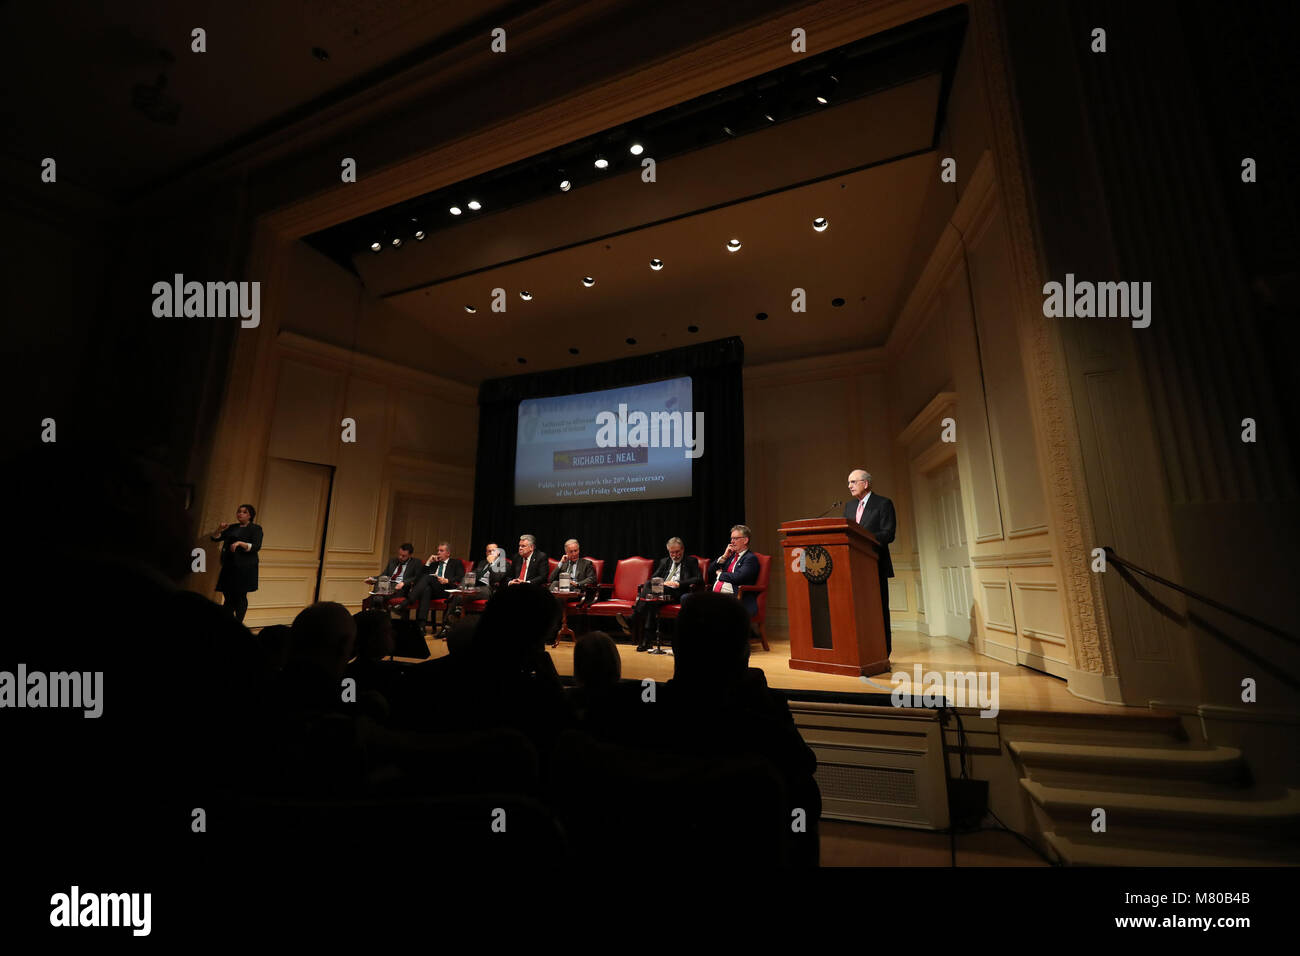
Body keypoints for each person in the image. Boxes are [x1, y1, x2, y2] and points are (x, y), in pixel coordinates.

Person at [844, 469, 897, 656]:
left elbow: (888, 534)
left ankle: (883, 652)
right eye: (849, 482)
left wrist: (863, 538)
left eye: (853, 482)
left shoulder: (883, 503)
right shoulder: (849, 507)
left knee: (878, 610)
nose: (849, 486)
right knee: (857, 611)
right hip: (853, 567)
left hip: (875, 565)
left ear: (865, 483)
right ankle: (861, 651)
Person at [630, 537, 702, 651]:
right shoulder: (665, 561)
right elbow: (654, 578)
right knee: (652, 600)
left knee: (651, 593)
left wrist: (678, 583)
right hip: (661, 592)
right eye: (672, 552)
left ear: (682, 549)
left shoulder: (691, 561)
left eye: (677, 552)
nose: (675, 555)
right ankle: (647, 641)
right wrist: (663, 582)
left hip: (677, 592)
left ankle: (635, 615)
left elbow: (698, 579)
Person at [209, 504, 263, 624]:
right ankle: (227, 623)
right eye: (239, 511)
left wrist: (240, 543)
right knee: (228, 596)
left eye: (244, 512)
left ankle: (238, 623)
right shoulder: (232, 527)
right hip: (230, 565)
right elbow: (215, 538)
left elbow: (256, 546)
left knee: (240, 596)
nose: (240, 514)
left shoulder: (256, 529)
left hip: (245, 567)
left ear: (250, 515)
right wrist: (220, 529)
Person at [402, 541, 460, 629]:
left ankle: (408, 601)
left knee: (428, 578)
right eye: (438, 550)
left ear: (448, 553)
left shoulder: (456, 563)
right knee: (426, 589)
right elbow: (419, 578)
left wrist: (447, 580)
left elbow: (460, 577)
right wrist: (428, 562)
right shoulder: (433, 564)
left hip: (446, 590)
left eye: (441, 551)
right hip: (432, 591)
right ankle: (421, 626)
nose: (438, 553)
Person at [446, 542, 507, 621]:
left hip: (489, 589)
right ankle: (452, 616)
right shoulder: (482, 563)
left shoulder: (503, 563)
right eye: (489, 551)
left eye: (494, 551)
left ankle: (449, 621)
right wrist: (461, 588)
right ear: (486, 553)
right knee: (466, 581)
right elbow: (472, 575)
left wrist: (492, 563)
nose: (491, 553)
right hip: (475, 586)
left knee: (459, 596)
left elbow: (497, 578)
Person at [710, 524, 759, 617]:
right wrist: (724, 556)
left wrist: (720, 574)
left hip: (736, 597)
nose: (732, 542)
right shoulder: (730, 556)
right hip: (718, 596)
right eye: (731, 539)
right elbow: (711, 570)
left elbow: (738, 577)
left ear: (745, 540)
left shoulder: (750, 559)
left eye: (735, 538)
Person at [364, 543, 422, 611]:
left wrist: (404, 583)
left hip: (400, 587)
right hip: (388, 585)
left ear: (410, 555)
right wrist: (373, 579)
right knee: (377, 596)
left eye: (403, 556)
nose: (400, 557)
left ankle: (378, 617)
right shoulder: (393, 561)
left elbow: (417, 577)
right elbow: (384, 575)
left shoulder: (416, 562)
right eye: (399, 554)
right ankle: (379, 616)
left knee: (376, 598)